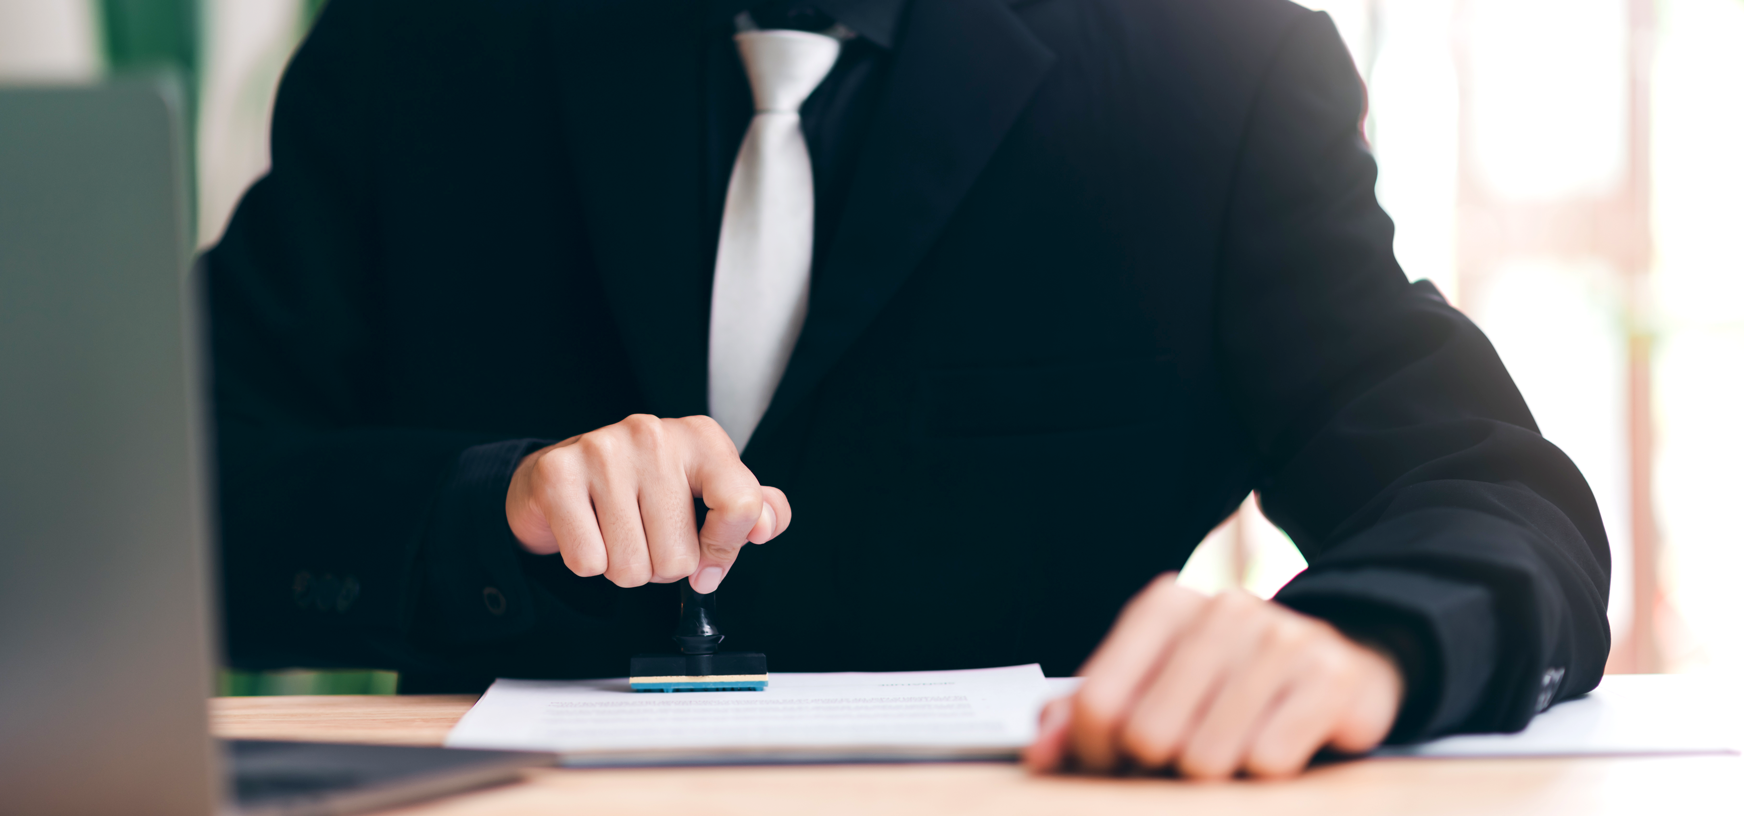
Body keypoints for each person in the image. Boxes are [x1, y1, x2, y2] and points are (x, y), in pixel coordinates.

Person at [201, 0, 1611, 778]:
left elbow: (1491, 492)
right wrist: (473, 508)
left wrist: (1366, 645)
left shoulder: (1216, 74)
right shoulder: (413, 54)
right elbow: (136, 491)